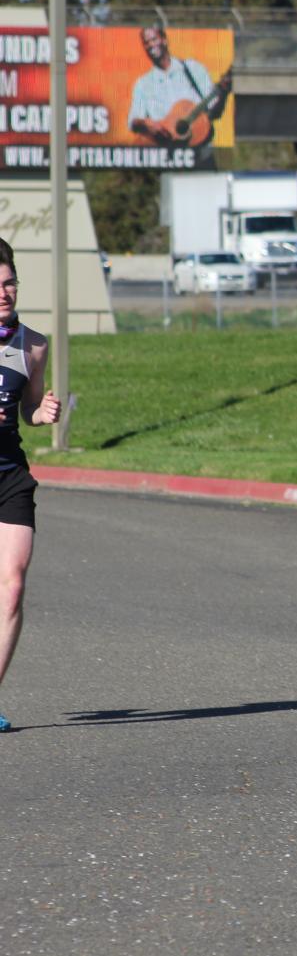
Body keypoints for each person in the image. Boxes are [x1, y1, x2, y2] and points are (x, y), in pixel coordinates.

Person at [0, 238, 62, 733]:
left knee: (13, 588)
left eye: (9, 283)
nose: (4, 293)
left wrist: (43, 413)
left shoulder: (34, 344)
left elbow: (31, 408)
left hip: (9, 477)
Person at [127, 25, 230, 150]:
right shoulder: (143, 84)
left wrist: (223, 94)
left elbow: (215, 113)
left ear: (164, 40)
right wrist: (146, 124)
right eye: (146, 43)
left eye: (154, 39)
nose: (150, 46)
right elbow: (133, 122)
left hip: (199, 153)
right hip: (165, 157)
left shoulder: (193, 69)